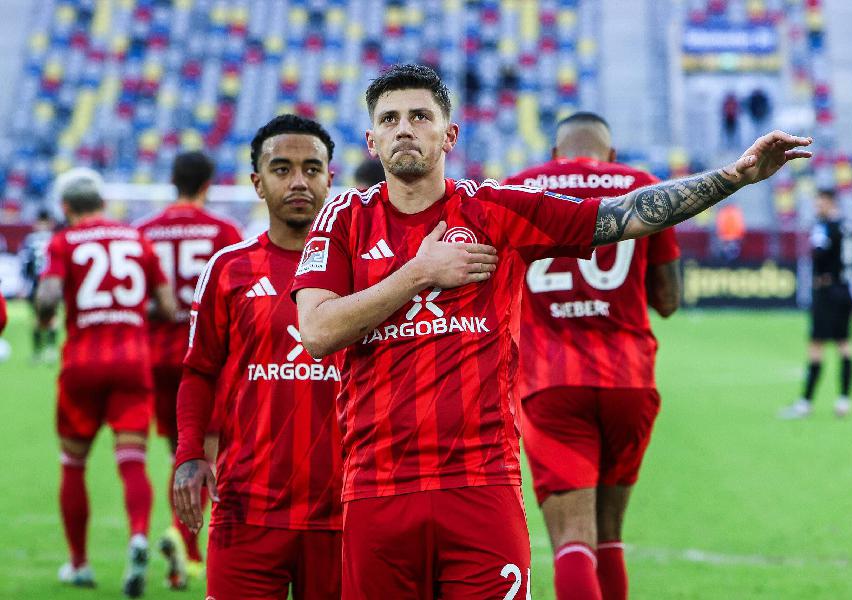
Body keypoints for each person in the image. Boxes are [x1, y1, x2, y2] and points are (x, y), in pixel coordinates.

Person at [292, 63, 811, 599]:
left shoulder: (494, 208)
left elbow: (620, 215)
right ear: (371, 140)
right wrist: (420, 272)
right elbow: (317, 331)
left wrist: (733, 177)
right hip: (377, 486)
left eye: (420, 116)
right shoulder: (343, 217)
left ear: (449, 135)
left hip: (482, 482)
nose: (404, 129)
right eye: (390, 119)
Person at [504, 112, 681, 600]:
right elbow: (668, 300)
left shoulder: (520, 187)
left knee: (572, 539)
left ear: (554, 154)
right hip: (629, 378)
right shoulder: (641, 184)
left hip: (551, 379)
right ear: (612, 154)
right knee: (609, 535)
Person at [172, 115, 343, 600]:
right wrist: (189, 454)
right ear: (257, 183)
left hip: (345, 508)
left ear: (329, 179)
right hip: (246, 505)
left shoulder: (362, 267)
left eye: (312, 169)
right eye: (282, 169)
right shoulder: (229, 268)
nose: (298, 181)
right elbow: (198, 371)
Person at [34, 171, 176, 597]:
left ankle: (79, 564)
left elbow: (48, 297)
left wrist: (47, 317)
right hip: (133, 362)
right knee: (132, 460)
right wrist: (129, 312)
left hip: (82, 363)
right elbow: (168, 306)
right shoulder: (137, 239)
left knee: (73, 463)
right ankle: (138, 536)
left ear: (66, 208)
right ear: (103, 202)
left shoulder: (64, 241)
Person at [134, 151, 242, 589]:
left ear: (172, 180)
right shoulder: (224, 232)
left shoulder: (143, 231)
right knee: (204, 455)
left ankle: (182, 549)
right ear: (208, 184)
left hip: (156, 357)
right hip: (204, 359)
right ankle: (185, 544)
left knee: (178, 453)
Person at [780, 190, 852, 419]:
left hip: (827, 291)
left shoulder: (825, 227)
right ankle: (844, 401)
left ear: (830, 203)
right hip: (845, 290)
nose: (817, 208)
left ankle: (805, 403)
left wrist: (827, 273)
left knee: (816, 345)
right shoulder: (849, 227)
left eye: (820, 204)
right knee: (844, 344)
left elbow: (818, 253)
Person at [20, 208, 58, 361]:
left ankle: (39, 351)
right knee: (51, 316)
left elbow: (25, 263)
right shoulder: (55, 238)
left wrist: (24, 284)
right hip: (52, 282)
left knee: (38, 317)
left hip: (37, 283)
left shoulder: (30, 240)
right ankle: (49, 350)